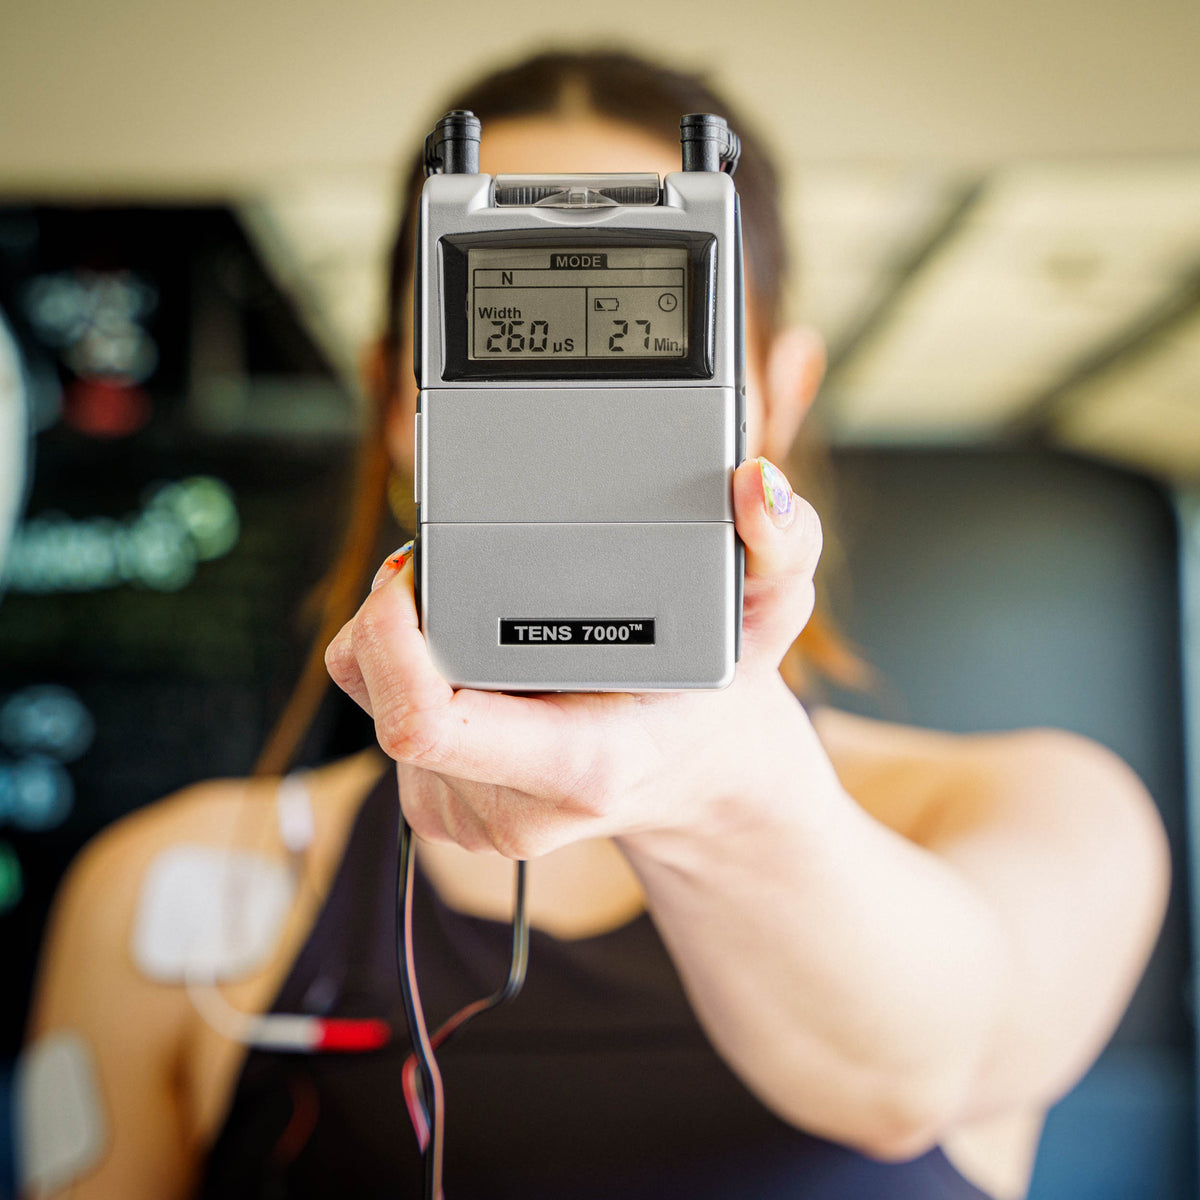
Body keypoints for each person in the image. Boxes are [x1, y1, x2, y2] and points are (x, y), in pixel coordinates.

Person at [24, 49, 1169, 1200]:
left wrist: (728, 795)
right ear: (398, 400)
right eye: (514, 335)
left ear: (776, 386)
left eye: (636, 332)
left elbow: (923, 1072)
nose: (576, 413)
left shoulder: (1053, 817)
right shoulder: (155, 899)